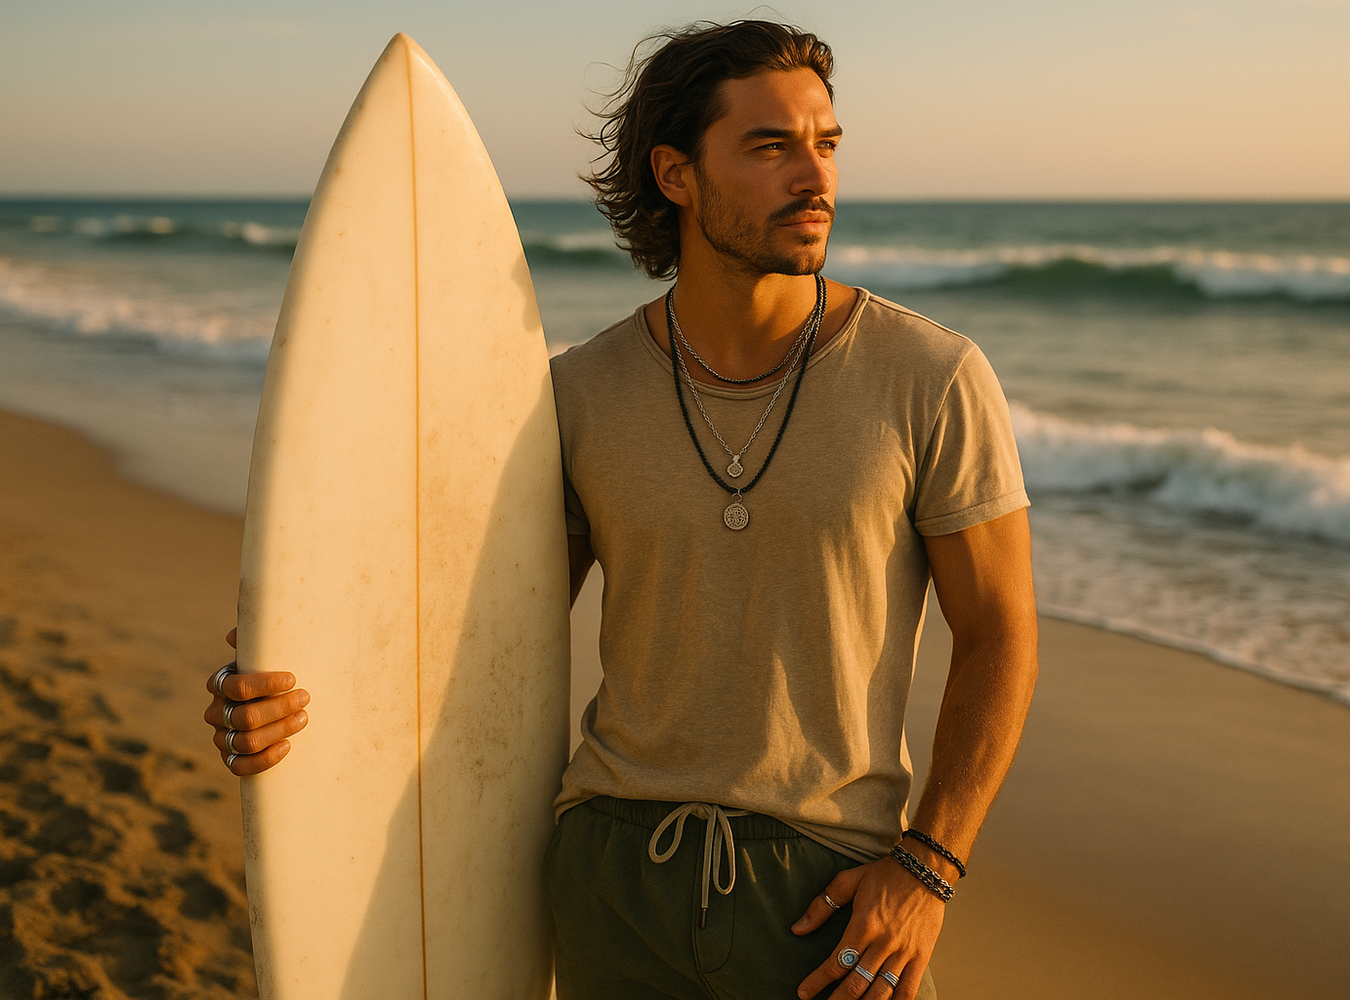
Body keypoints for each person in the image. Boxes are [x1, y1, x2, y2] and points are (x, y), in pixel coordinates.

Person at [205, 20, 1037, 1000]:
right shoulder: (580, 394)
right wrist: (282, 695)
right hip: (611, 873)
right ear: (676, 174)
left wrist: (931, 865)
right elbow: (468, 643)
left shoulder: (929, 378)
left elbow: (1000, 633)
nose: (815, 177)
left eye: (827, 143)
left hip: (826, 885)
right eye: (771, 147)